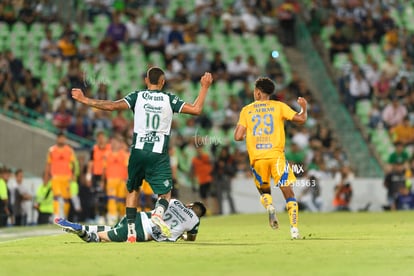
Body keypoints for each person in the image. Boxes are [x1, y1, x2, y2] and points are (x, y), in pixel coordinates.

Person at [71, 67, 213, 242]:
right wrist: (205, 86)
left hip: (137, 150)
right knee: (165, 194)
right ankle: (158, 215)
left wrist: (84, 99)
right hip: (158, 153)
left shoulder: (137, 96)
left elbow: (111, 106)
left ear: (146, 81)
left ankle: (130, 230)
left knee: (133, 188)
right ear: (162, 82)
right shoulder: (169, 99)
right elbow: (196, 109)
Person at [234, 77, 307, 239]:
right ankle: (294, 229)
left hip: (258, 158)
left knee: (264, 191)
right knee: (288, 191)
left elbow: (237, 136)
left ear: (258, 92)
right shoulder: (279, 107)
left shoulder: (247, 110)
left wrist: (250, 133)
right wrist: (304, 108)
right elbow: (301, 119)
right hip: (276, 157)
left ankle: (270, 207)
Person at [54, 199, 206, 243]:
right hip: (142, 232)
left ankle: (80, 227)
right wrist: (182, 235)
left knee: (109, 229)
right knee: (100, 239)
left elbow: (161, 203)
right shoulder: (195, 221)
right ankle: (80, 231)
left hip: (137, 217)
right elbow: (191, 238)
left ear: (190, 205)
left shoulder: (174, 202)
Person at [44, 132, 77, 218]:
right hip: (55, 176)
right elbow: (48, 164)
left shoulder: (69, 150)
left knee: (66, 198)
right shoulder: (52, 150)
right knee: (56, 196)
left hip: (66, 177)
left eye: (63, 138)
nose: (62, 140)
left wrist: (73, 174)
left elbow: (73, 164)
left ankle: (64, 216)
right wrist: (46, 176)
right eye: (60, 138)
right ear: (57, 139)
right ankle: (57, 215)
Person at [102, 135, 129, 225]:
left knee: (121, 200)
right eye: (112, 142)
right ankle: (112, 217)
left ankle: (121, 216)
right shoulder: (107, 154)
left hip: (122, 180)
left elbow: (128, 168)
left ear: (120, 144)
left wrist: (129, 180)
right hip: (111, 180)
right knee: (111, 199)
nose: (114, 144)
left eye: (116, 142)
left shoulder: (124, 155)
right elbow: (104, 169)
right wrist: (103, 181)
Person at [86, 131, 111, 223]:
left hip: (109, 175)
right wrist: (88, 176)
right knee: (98, 196)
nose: (101, 139)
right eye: (99, 137)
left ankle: (109, 214)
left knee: (109, 196)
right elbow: (90, 163)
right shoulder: (94, 149)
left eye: (102, 137)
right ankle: (100, 215)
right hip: (97, 175)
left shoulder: (110, 148)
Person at [191, 146, 218, 215]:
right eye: (197, 149)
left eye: (200, 149)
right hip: (201, 180)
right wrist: (193, 182)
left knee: (213, 195)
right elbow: (192, 171)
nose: (199, 151)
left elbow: (214, 165)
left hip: (209, 179)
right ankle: (207, 212)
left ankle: (216, 211)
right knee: (204, 197)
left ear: (202, 149)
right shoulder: (194, 160)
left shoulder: (206, 157)